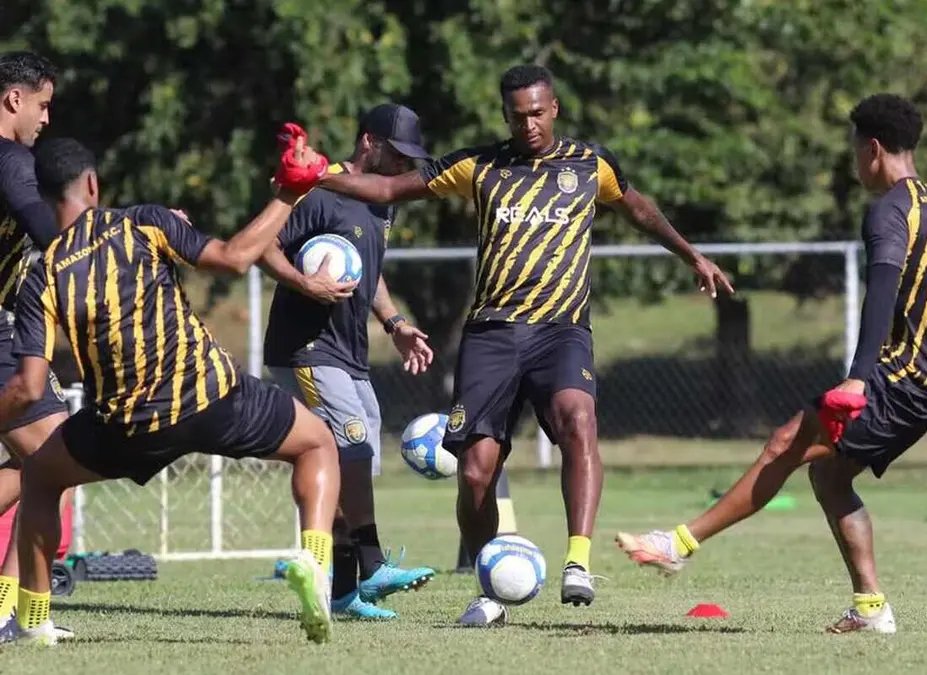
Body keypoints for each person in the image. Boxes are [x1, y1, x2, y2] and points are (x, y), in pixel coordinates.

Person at [310, 64, 733, 626]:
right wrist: (315, 175)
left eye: (537, 113)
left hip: (562, 331)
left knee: (578, 418)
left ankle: (578, 562)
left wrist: (692, 255)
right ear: (505, 116)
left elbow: (640, 210)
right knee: (475, 472)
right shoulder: (479, 166)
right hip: (493, 334)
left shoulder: (591, 165)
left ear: (554, 108)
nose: (528, 124)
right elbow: (388, 188)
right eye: (517, 116)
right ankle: (488, 592)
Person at [615, 93, 927, 635]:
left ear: (873, 148)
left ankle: (677, 544)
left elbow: (881, 292)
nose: (854, 163)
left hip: (899, 378)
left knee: (784, 443)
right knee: (829, 475)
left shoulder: (889, 211)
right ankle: (871, 608)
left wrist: (859, 378)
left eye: (854, 151)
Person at [0, 132, 341, 646]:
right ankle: (315, 563)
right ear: (92, 184)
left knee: (41, 478)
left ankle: (33, 620)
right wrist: (290, 193)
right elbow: (234, 258)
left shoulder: (41, 276)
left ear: (44, 197)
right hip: (211, 395)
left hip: (125, 424)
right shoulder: (144, 222)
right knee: (317, 444)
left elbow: (27, 387)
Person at [260, 103, 436, 621]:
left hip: (350, 352)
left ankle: (341, 591)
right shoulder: (319, 189)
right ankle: (373, 563)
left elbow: (368, 270)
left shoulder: (382, 203)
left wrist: (395, 324)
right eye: (397, 154)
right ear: (368, 142)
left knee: (352, 461)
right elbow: (264, 245)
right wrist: (304, 282)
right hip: (307, 348)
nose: (404, 166)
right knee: (351, 442)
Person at [0, 51, 74, 637]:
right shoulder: (11, 160)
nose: (46, 119)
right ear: (14, 99)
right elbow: (41, 222)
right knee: (56, 462)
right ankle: (19, 615)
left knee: (47, 466)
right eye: (43, 105)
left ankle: (16, 613)